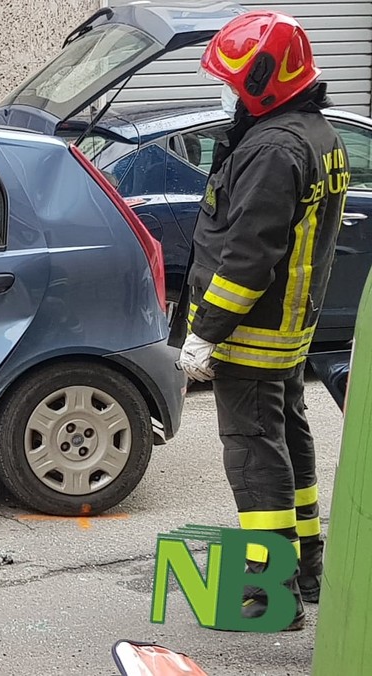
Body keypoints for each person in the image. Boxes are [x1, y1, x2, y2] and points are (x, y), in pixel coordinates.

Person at [176, 11, 350, 630]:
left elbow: (249, 253)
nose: (221, 93)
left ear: (263, 80)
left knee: (253, 456)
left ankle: (269, 594)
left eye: (229, 80)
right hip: (288, 329)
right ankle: (306, 568)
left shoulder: (275, 147)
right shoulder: (314, 134)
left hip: (253, 332)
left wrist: (206, 333)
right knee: (288, 444)